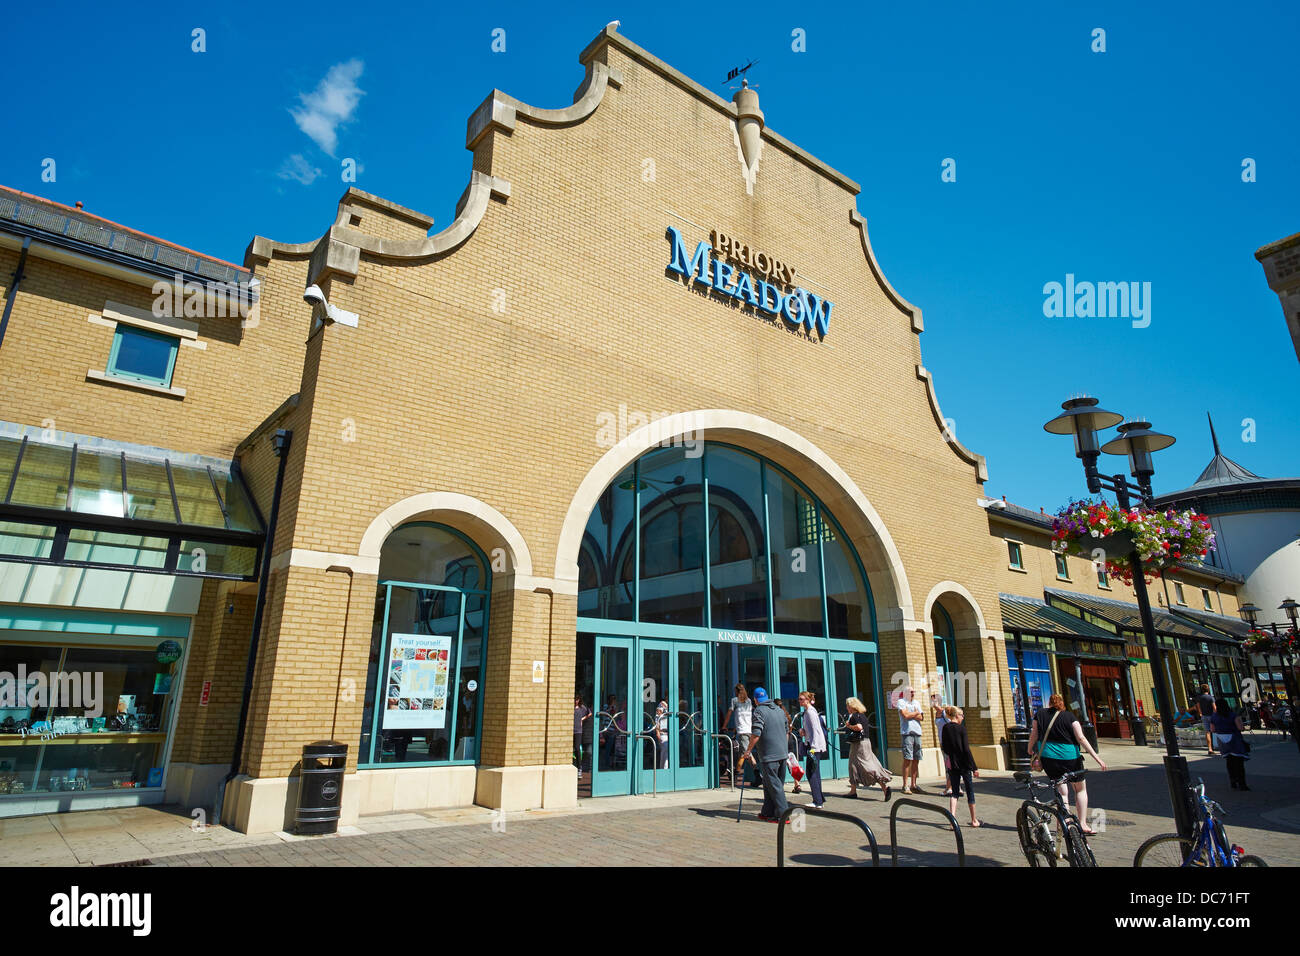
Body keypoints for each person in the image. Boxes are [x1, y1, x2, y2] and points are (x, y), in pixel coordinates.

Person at [1026, 693, 1108, 834]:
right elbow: (1081, 738)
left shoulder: (1039, 714)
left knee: (1062, 792)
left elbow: (1034, 733)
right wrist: (1097, 758)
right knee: (1080, 790)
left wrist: (1029, 749)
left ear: (1049, 703)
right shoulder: (1069, 716)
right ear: (1062, 703)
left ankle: (1065, 823)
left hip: (1049, 758)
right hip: (1070, 758)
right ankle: (1082, 824)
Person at [741, 686, 790, 823]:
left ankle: (783, 815)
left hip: (769, 755)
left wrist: (748, 750)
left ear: (755, 700)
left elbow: (756, 733)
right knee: (771, 784)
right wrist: (784, 748)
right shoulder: (780, 711)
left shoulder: (759, 711)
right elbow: (787, 731)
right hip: (782, 754)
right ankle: (767, 812)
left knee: (774, 786)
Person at [842, 697, 891, 799]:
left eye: (847, 705)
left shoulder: (854, 716)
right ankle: (854, 790)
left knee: (860, 765)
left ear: (852, 706)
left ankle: (883, 785)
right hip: (866, 742)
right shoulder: (863, 716)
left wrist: (849, 726)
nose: (847, 708)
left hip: (858, 744)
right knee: (868, 763)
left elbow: (859, 727)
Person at [939, 706, 980, 827]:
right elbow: (966, 750)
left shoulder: (945, 728)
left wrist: (951, 756)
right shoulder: (962, 729)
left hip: (952, 763)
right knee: (970, 791)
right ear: (957, 716)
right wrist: (974, 767)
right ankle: (974, 820)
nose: (963, 717)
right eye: (962, 715)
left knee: (954, 792)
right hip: (964, 764)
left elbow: (944, 746)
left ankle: (952, 821)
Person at [1210, 698, 1250, 791]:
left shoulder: (1214, 716)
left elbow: (1212, 730)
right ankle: (1242, 783)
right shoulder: (1232, 715)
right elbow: (1240, 727)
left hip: (1222, 739)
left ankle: (1232, 781)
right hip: (1233, 738)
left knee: (1229, 761)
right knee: (1239, 762)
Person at [797, 690, 828, 808]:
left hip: (814, 747)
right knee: (814, 771)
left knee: (812, 772)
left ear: (808, 700)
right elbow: (811, 730)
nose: (800, 701)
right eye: (799, 699)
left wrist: (813, 748)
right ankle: (819, 798)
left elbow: (816, 730)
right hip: (813, 745)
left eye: (802, 699)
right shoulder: (807, 712)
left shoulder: (810, 712)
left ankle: (817, 801)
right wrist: (803, 732)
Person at [721, 684, 754, 786]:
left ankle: (758, 773)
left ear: (736, 691)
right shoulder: (749, 701)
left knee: (747, 754)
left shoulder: (734, 700)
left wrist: (724, 726)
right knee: (741, 754)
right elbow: (747, 716)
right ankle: (735, 774)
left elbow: (729, 713)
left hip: (743, 731)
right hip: (749, 730)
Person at [897, 687, 925, 794]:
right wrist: (915, 714)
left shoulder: (917, 702)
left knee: (916, 759)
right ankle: (905, 785)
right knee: (908, 758)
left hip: (917, 732)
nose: (913, 693)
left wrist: (911, 714)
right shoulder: (901, 702)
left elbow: (921, 717)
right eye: (911, 692)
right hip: (907, 733)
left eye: (914, 691)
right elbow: (905, 715)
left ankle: (914, 784)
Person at [934, 696, 952, 796]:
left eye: (934, 701)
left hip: (949, 742)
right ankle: (955, 787)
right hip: (943, 742)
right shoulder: (938, 713)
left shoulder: (946, 712)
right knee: (949, 765)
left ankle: (949, 788)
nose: (933, 703)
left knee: (950, 765)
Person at [1195, 683, 1217, 756]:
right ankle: (1217, 745)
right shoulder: (1211, 698)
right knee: (1215, 730)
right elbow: (1214, 708)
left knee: (1207, 732)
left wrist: (1200, 713)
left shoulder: (1199, 698)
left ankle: (1210, 748)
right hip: (1211, 715)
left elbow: (1198, 706)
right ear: (1208, 689)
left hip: (1204, 716)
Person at [573, 696, 591, 777]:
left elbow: (589, 713)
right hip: (570, 730)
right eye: (575, 699)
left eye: (577, 699)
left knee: (577, 748)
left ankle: (579, 767)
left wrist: (582, 719)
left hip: (578, 731)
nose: (576, 701)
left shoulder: (582, 707)